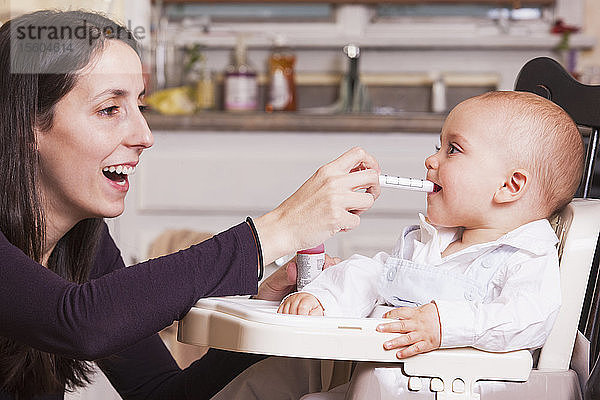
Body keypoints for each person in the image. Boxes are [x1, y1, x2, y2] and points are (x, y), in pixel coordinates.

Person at [0, 10, 381, 399]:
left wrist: (261, 308)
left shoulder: (85, 242)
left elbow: (160, 392)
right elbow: (79, 321)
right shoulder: (76, 298)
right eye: (110, 109)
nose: (144, 135)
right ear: (26, 124)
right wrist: (277, 229)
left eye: (139, 107)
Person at [213, 90, 584, 399]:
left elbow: (528, 318)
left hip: (444, 387)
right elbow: (375, 276)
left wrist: (442, 324)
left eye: (452, 149)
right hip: (370, 375)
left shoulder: (525, 256)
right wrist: (323, 297)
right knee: (264, 381)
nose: (431, 159)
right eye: (437, 146)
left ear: (510, 186)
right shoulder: (430, 241)